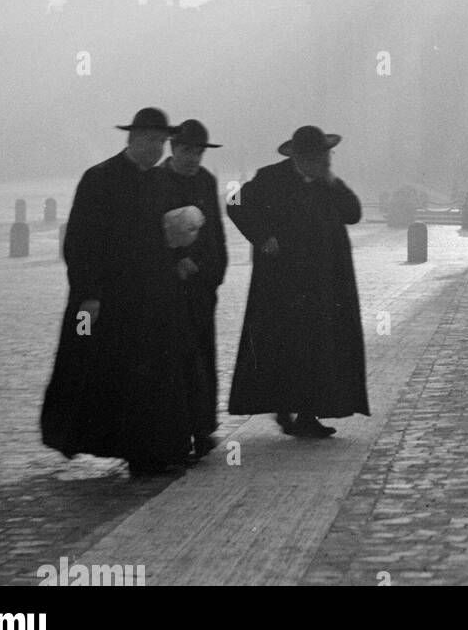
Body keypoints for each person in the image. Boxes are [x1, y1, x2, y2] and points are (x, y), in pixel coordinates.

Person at [41, 108, 207, 478]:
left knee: (155, 377)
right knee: (104, 373)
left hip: (154, 296)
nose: (155, 148)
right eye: (149, 140)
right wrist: (89, 294)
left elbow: (167, 228)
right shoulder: (100, 179)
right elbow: (81, 241)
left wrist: (181, 255)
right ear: (131, 139)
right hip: (109, 299)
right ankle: (126, 447)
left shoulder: (159, 183)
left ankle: (155, 449)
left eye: (160, 141)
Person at [227, 125, 370, 438]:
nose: (322, 164)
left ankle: (307, 414)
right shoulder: (270, 178)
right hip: (283, 282)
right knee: (286, 345)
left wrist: (332, 182)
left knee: (317, 347)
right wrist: (263, 237)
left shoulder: (327, 182)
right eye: (317, 159)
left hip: (323, 281)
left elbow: (353, 213)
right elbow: (235, 204)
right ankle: (287, 408)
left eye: (325, 158)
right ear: (300, 158)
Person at [159, 119, 228, 460]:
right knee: (173, 361)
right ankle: (174, 431)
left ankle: (202, 428)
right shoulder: (156, 182)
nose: (193, 158)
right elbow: (147, 232)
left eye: (198, 152)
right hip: (167, 290)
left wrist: (212, 272)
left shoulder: (205, 180)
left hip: (201, 287)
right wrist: (174, 262)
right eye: (187, 150)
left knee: (202, 357)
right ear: (173, 149)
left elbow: (214, 232)